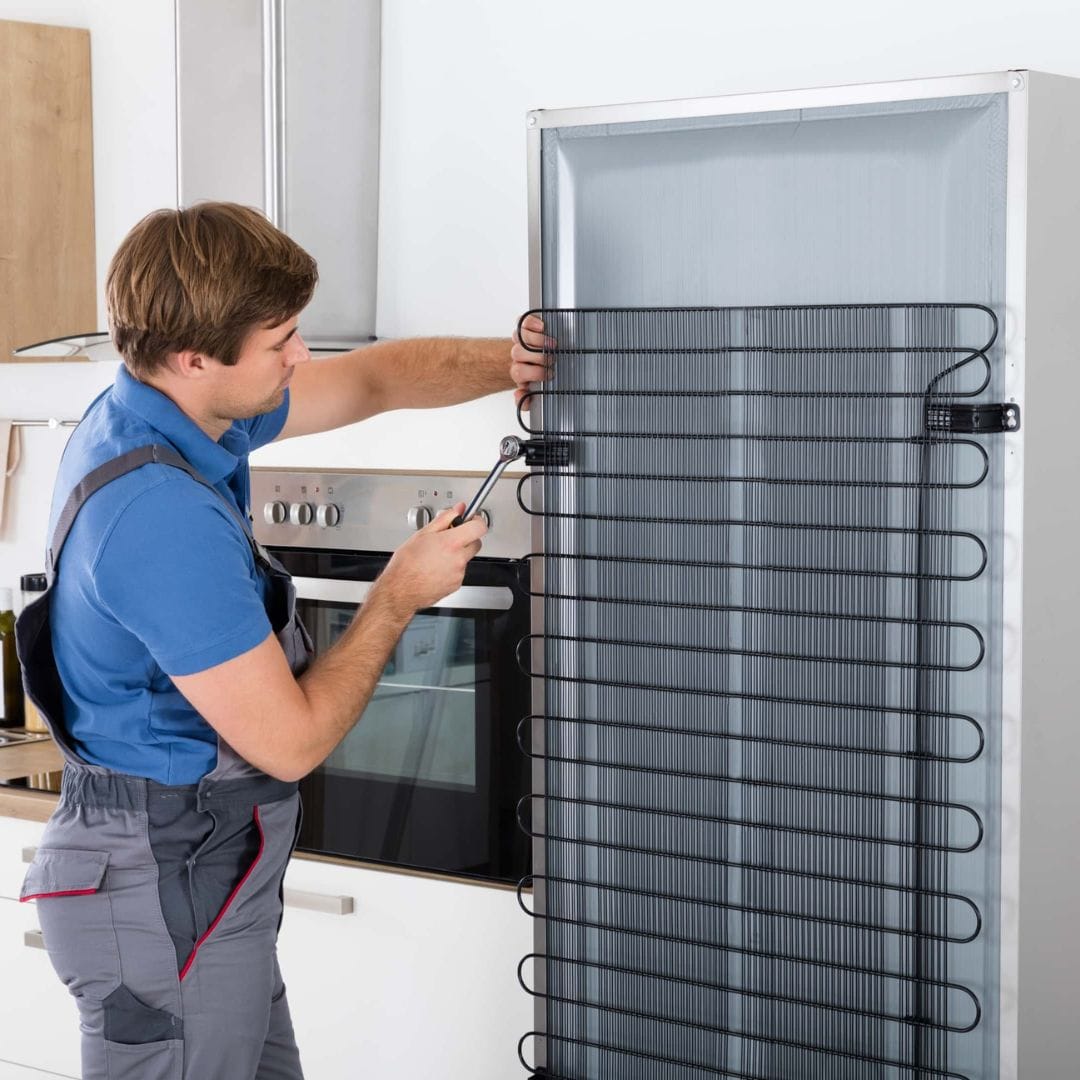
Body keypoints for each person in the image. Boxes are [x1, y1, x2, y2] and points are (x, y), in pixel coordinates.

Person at [16, 201, 549, 1079]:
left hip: (203, 874)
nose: (302, 356)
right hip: (161, 883)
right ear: (195, 357)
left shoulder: (173, 410)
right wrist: (396, 594)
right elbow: (292, 741)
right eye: (283, 342)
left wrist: (515, 362)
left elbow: (374, 380)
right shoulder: (157, 518)